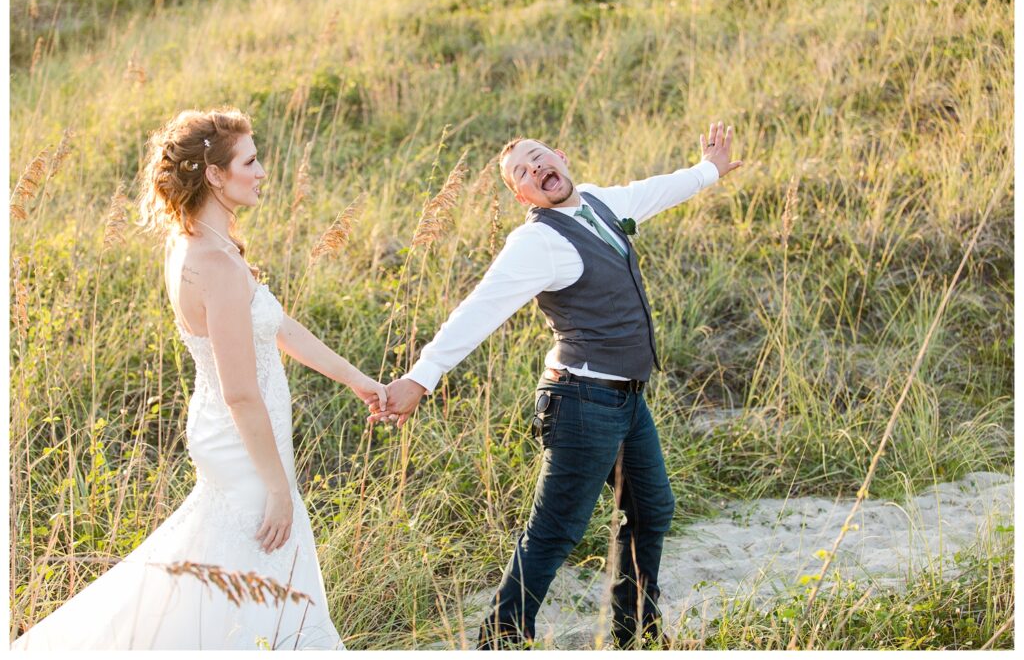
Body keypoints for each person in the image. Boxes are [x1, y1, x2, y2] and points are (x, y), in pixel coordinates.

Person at [12, 108, 386, 650]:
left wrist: (355, 379)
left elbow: (276, 324)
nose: (261, 172)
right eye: (250, 161)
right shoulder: (216, 263)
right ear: (214, 174)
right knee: (266, 572)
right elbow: (240, 390)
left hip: (226, 434)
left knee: (217, 564)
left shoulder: (196, 240)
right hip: (244, 445)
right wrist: (279, 487)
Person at [373, 122, 741, 648]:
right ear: (521, 194)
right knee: (554, 533)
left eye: (540, 157)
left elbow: (655, 191)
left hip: (627, 399)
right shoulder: (535, 242)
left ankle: (635, 632)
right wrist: (419, 379)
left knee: (652, 509)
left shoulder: (598, 202)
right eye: (522, 171)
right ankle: (498, 642)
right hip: (581, 403)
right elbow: (478, 311)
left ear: (562, 158)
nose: (536, 168)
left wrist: (710, 169)